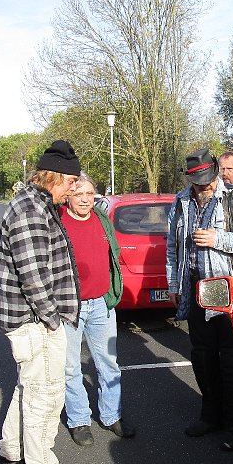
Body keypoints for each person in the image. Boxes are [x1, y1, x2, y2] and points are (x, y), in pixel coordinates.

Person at [0, 140, 87, 464]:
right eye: (71, 183)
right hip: (35, 321)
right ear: (55, 177)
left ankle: (12, 455)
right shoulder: (31, 209)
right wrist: (52, 319)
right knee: (45, 396)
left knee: (28, 388)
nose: (73, 191)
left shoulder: (35, 203)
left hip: (33, 319)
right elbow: (33, 276)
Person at [166, 148, 233, 449]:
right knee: (202, 355)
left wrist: (219, 239)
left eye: (208, 179)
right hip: (195, 286)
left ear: (216, 171)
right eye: (198, 181)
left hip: (227, 287)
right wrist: (173, 282)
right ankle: (210, 415)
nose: (204, 186)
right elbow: (172, 246)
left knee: (231, 357)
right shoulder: (180, 201)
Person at [60, 172, 136, 446]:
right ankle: (79, 420)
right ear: (68, 196)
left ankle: (111, 415)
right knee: (70, 368)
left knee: (109, 364)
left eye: (89, 194)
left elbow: (113, 256)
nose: (85, 199)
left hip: (102, 304)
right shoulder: (58, 222)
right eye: (79, 194)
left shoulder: (102, 219)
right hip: (70, 307)